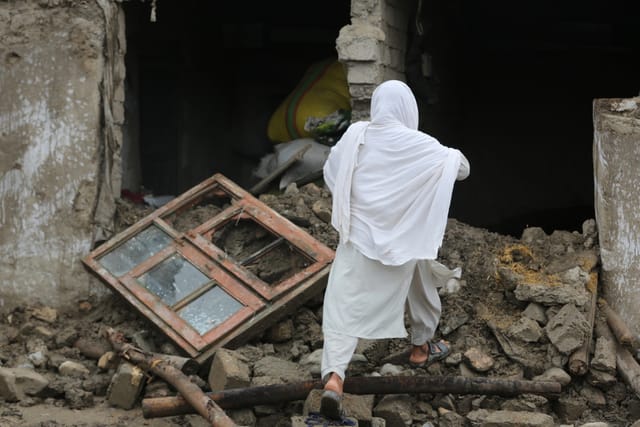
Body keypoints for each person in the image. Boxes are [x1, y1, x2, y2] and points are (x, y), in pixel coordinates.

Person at [318, 80, 470, 419]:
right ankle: (420, 347)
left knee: (342, 307)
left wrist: (359, 201)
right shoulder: (419, 144)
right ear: (407, 109)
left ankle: (334, 378)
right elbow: (461, 169)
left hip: (359, 238)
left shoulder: (356, 135)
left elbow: (331, 172)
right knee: (420, 282)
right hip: (404, 239)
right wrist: (416, 181)